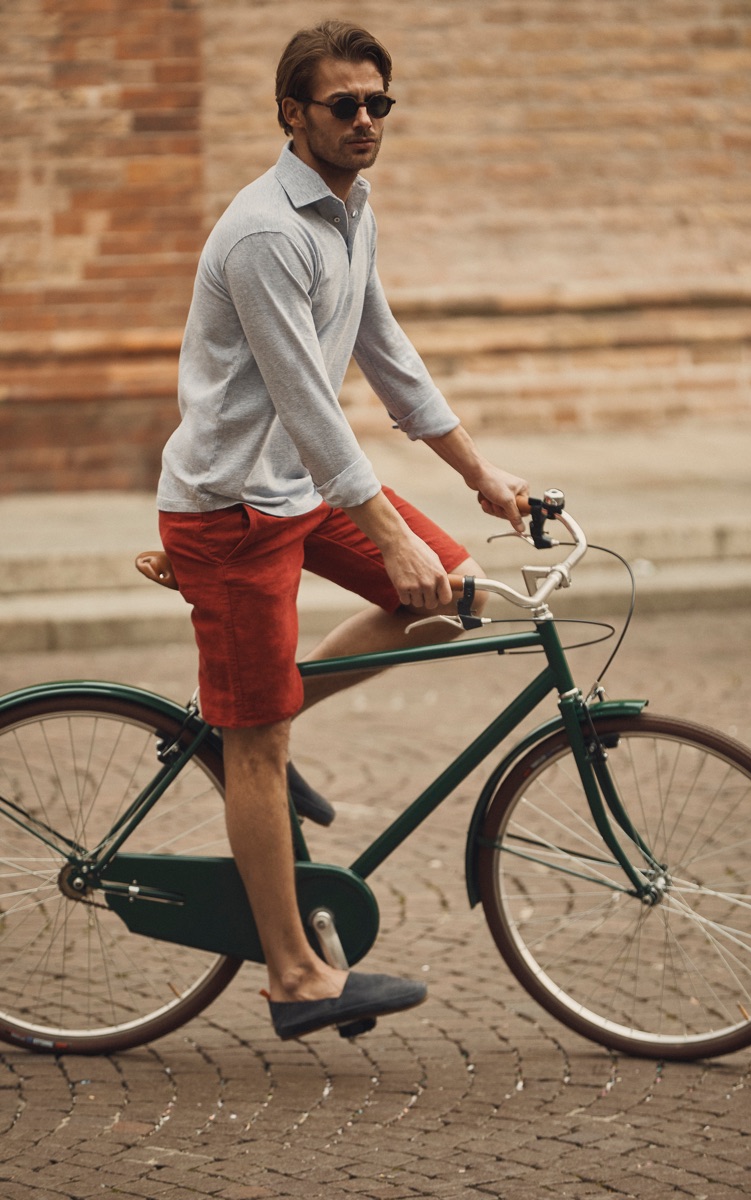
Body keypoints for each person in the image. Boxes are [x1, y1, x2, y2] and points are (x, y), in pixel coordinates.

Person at [156, 19, 529, 1040]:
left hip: (298, 489)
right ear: (291, 113)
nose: (365, 121)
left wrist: (478, 474)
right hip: (233, 508)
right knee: (260, 745)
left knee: (454, 598)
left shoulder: (347, 208)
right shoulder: (268, 231)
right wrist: (387, 533)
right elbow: (310, 407)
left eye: (378, 104)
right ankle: (292, 978)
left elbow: (384, 350)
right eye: (343, 105)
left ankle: (247, 724)